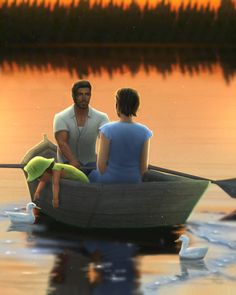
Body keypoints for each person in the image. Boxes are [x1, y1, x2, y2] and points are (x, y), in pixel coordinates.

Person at [89, 88, 152, 184]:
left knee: (91, 175)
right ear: (136, 106)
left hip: (110, 181)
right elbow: (143, 169)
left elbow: (101, 167)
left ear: (117, 106)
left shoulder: (107, 129)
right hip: (134, 181)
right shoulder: (144, 132)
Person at [53, 80, 109, 175]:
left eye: (87, 94)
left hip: (91, 165)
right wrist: (72, 161)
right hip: (67, 165)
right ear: (73, 96)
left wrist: (103, 162)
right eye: (80, 94)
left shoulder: (101, 117)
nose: (84, 98)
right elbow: (62, 142)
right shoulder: (61, 117)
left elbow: (106, 141)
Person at [24, 156, 89, 208]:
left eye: (39, 177)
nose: (39, 180)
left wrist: (55, 200)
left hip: (82, 181)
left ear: (46, 170)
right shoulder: (49, 172)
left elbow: (55, 184)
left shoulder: (56, 169)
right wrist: (37, 192)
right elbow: (43, 180)